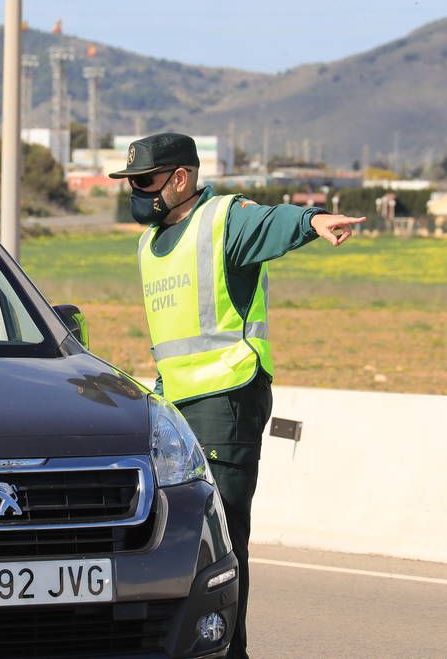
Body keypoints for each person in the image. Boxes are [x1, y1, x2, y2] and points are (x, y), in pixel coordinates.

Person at [109, 133, 366, 659]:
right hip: (178, 407)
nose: (135, 192)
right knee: (181, 539)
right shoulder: (151, 242)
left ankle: (230, 651)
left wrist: (314, 221)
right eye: (130, 182)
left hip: (228, 400)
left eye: (143, 181)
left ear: (179, 178)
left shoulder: (223, 219)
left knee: (221, 535)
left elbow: (270, 221)